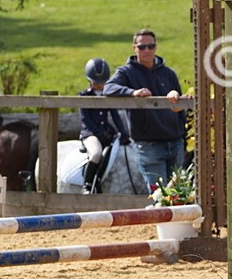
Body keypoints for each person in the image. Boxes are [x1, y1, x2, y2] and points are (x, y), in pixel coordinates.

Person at [104, 29, 186, 192]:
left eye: (151, 46)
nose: (147, 50)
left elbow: (179, 107)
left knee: (180, 194)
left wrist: (177, 98)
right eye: (142, 47)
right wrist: (132, 92)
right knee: (160, 196)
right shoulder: (126, 72)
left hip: (175, 142)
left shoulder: (168, 73)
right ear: (134, 48)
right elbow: (108, 88)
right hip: (149, 146)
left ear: (156, 47)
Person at [78, 58, 130, 194]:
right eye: (96, 82)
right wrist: (98, 133)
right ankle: (87, 185)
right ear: (89, 80)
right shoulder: (84, 96)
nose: (100, 85)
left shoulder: (108, 96)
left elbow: (115, 116)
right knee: (96, 154)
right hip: (90, 134)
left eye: (102, 82)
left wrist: (123, 132)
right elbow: (85, 119)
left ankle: (101, 180)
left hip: (106, 132)